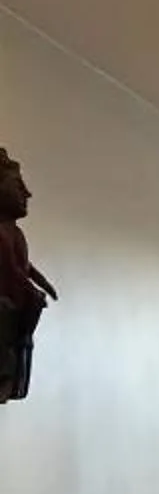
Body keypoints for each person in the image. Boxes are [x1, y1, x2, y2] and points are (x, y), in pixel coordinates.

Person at [0, 147, 58, 400]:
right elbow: (12, 268)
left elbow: (24, 266)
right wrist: (30, 288)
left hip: (17, 306)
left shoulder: (14, 232)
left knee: (20, 344)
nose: (27, 193)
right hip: (8, 306)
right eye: (18, 186)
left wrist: (41, 283)